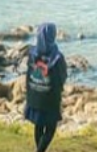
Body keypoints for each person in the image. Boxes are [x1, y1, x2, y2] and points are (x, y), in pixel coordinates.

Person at [24, 22, 67, 152]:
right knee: (51, 127)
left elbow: (28, 73)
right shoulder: (57, 57)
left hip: (35, 95)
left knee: (39, 124)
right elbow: (62, 77)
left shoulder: (32, 53)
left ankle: (39, 149)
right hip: (50, 99)